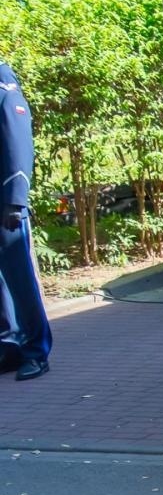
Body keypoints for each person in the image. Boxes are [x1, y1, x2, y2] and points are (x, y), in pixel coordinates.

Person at [0, 59, 50, 381]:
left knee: (20, 280)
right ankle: (9, 346)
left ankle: (36, 349)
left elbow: (17, 142)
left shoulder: (4, 85)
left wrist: (16, 198)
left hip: (5, 203)